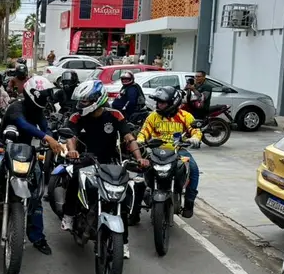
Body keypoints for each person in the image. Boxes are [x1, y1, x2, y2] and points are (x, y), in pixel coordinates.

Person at [63, 80, 146, 259]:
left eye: (86, 101)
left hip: (111, 162)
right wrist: (72, 151)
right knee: (74, 176)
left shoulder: (115, 115)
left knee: (121, 200)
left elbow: (129, 137)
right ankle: (68, 215)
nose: (82, 104)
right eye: (81, 100)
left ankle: (123, 243)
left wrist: (139, 158)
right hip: (86, 159)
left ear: (97, 99)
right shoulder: (77, 116)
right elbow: (71, 136)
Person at [0, 75, 62, 254]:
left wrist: (50, 136)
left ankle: (37, 236)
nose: (46, 99)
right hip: (3, 148)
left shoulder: (38, 112)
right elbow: (23, 124)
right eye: (43, 95)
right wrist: (46, 137)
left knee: (37, 188)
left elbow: (45, 126)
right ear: (33, 94)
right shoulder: (15, 107)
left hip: (26, 152)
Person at [137, 86, 202, 220]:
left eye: (162, 102)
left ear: (173, 102)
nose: (158, 105)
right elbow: (144, 131)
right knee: (139, 175)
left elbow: (195, 130)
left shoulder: (185, 116)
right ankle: (134, 210)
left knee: (194, 170)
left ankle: (189, 202)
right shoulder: (153, 116)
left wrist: (195, 138)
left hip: (178, 151)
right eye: (158, 102)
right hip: (155, 151)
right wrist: (140, 141)